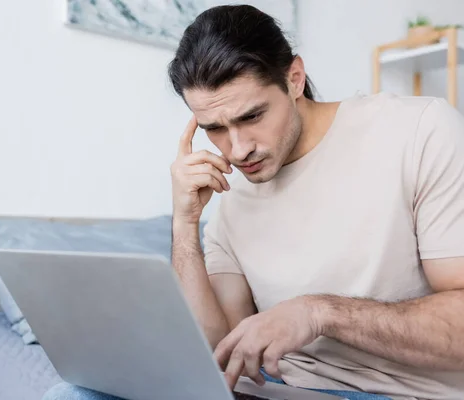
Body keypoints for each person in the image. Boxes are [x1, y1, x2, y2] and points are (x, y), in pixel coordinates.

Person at [43, 5, 464, 400]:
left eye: (252, 116)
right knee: (73, 394)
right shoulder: (231, 192)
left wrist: (320, 313)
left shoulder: (419, 132)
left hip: (396, 392)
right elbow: (216, 349)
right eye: (215, 128)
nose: (239, 149)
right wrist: (185, 223)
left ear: (294, 78)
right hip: (277, 388)